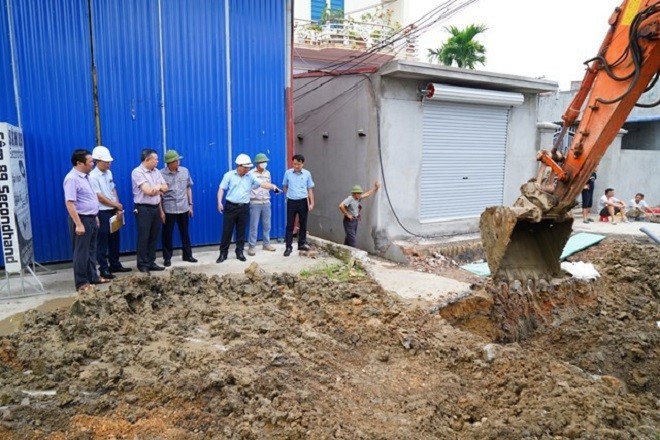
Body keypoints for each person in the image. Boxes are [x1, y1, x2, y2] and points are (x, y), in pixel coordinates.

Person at [217, 153, 281, 263]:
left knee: (241, 231)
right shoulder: (229, 175)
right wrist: (219, 202)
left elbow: (262, 183)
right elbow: (221, 188)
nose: (248, 170)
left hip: (244, 207)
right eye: (246, 168)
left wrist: (273, 187)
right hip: (231, 206)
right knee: (227, 231)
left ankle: (239, 252)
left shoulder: (250, 176)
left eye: (248, 168)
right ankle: (223, 253)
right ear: (239, 166)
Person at [63, 149, 109, 291]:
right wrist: (78, 224)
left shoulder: (87, 177)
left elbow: (90, 198)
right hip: (81, 219)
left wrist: (95, 216)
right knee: (81, 252)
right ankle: (81, 283)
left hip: (91, 218)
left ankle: (93, 277)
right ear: (79, 163)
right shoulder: (72, 179)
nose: (92, 164)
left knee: (91, 251)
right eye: (90, 162)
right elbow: (70, 203)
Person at [89, 146, 131, 279]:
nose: (109, 164)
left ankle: (115, 264)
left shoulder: (109, 173)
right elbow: (99, 196)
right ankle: (104, 268)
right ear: (98, 161)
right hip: (101, 212)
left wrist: (118, 207)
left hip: (112, 210)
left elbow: (113, 190)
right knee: (103, 241)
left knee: (115, 239)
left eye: (109, 161)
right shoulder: (93, 176)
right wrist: (115, 204)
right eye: (106, 162)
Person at [131, 148, 168, 273]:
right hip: (143, 208)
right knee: (144, 237)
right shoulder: (137, 172)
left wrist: (157, 188)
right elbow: (148, 191)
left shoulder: (156, 172)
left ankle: (151, 261)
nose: (157, 161)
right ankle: (142, 264)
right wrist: (158, 188)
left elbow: (166, 187)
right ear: (147, 160)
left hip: (155, 207)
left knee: (153, 236)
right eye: (155, 159)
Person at [160, 149, 197, 266]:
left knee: (185, 232)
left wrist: (190, 205)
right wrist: (161, 211)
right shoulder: (161, 174)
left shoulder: (185, 171)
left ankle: (188, 255)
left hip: (183, 207)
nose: (178, 162)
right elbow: (159, 194)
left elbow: (188, 188)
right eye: (176, 160)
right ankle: (167, 258)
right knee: (167, 234)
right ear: (169, 163)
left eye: (178, 160)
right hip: (168, 209)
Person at [282, 154, 315, 257]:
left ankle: (301, 244)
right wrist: (288, 196)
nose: (296, 166)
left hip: (303, 201)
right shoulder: (288, 173)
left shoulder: (307, 174)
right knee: (290, 225)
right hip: (291, 201)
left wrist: (311, 202)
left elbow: (309, 189)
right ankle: (288, 247)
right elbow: (285, 186)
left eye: (299, 164)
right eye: (295, 164)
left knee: (303, 224)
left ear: (302, 164)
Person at [247, 153, 277, 256]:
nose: (264, 164)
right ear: (257, 163)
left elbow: (268, 185)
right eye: (262, 162)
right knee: (253, 226)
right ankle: (251, 247)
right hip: (255, 202)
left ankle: (266, 244)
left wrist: (274, 188)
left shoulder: (268, 173)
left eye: (265, 162)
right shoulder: (251, 173)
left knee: (267, 225)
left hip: (266, 202)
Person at [338, 182, 380, 247]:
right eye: (359, 193)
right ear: (355, 193)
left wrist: (375, 188)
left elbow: (367, 194)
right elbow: (341, 206)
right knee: (352, 241)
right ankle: (354, 254)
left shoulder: (358, 198)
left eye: (360, 193)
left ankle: (344, 250)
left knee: (349, 238)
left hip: (355, 220)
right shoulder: (350, 199)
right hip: (349, 221)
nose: (360, 194)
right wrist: (347, 214)